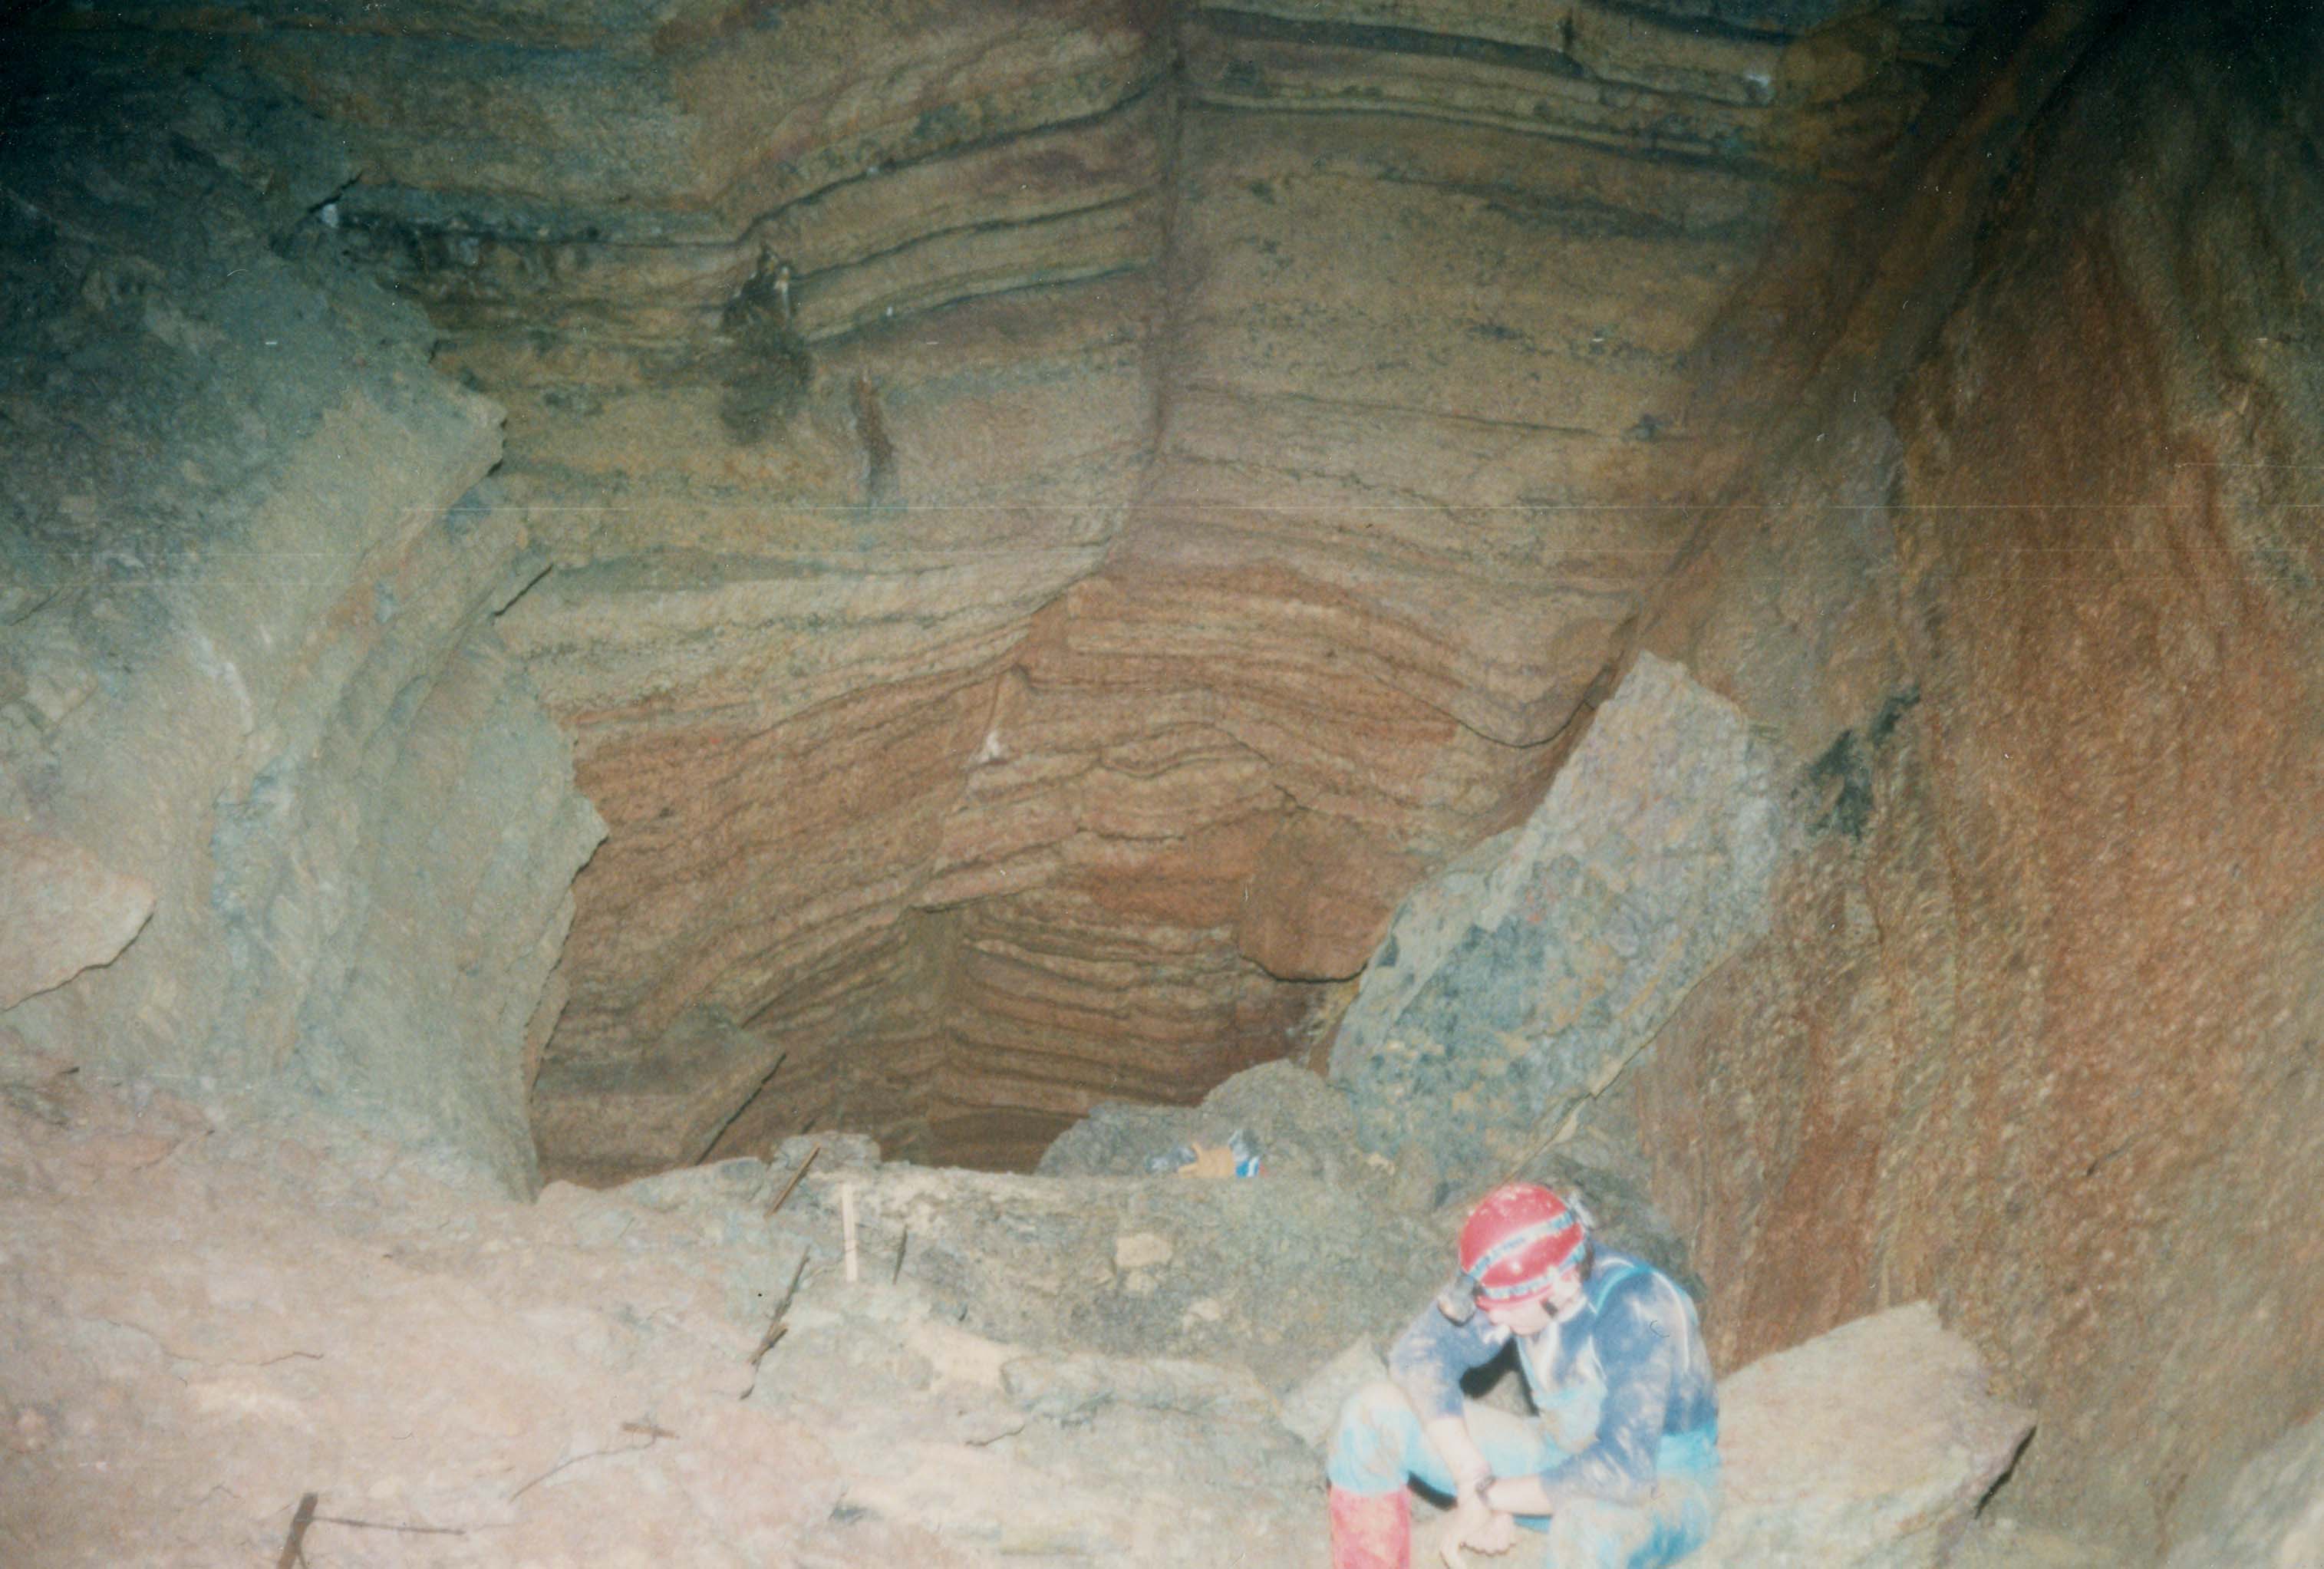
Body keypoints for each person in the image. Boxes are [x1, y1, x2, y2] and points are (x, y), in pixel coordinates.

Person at [1324, 1183, 1719, 1568]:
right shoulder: (1517, 1275)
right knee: (1370, 1414)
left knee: (1585, 1530)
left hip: (1661, 1481)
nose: (1494, 1318)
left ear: (1563, 1283)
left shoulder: (1643, 1310)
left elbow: (1625, 1472)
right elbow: (1418, 1356)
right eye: (1489, 1303)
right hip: (1555, 1451)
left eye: (1509, 1307)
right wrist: (1473, 1476)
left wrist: (1495, 1497)